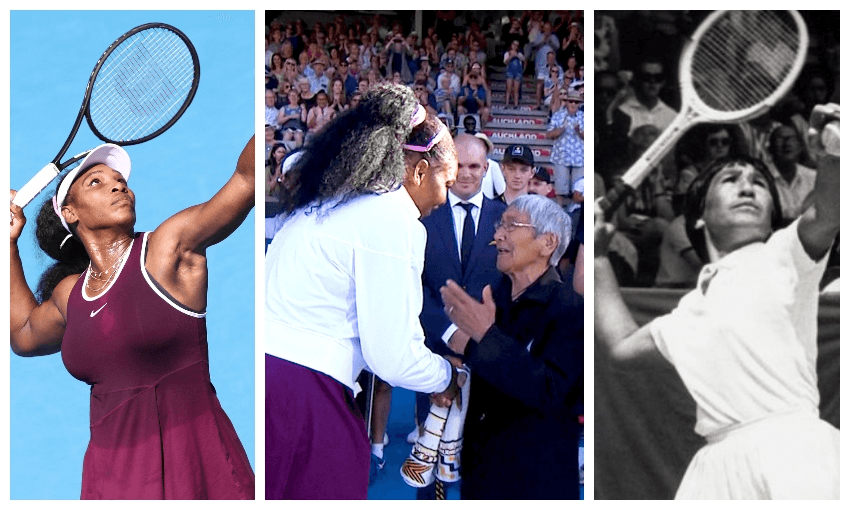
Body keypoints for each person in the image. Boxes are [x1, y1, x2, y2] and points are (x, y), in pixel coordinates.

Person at [594, 104, 840, 499]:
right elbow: (622, 348)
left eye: (759, 183)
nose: (748, 187)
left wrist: (832, 157)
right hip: (717, 469)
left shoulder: (783, 255)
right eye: (731, 179)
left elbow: (826, 213)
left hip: (794, 453)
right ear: (700, 218)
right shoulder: (690, 311)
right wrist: (598, 260)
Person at [9, 138, 256, 499]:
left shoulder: (167, 249)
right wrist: (8, 244)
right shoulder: (69, 294)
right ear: (71, 213)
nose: (118, 183)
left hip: (196, 468)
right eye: (96, 181)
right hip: (110, 481)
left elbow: (246, 181)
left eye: (120, 179)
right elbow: (23, 334)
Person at [265, 84, 462, 500]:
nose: (446, 199)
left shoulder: (331, 200)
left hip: (268, 380)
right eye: (448, 181)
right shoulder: (393, 219)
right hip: (304, 395)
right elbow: (391, 357)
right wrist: (445, 376)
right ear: (420, 171)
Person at [441, 193, 583, 499]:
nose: (497, 235)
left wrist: (484, 336)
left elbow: (551, 390)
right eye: (499, 225)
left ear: (548, 243)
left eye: (511, 225)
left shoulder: (569, 309)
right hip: (482, 469)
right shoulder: (495, 298)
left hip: (535, 477)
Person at [546, 88, 584, 208]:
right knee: (560, 187)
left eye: (576, 102)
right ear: (567, 102)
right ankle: (559, 209)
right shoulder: (558, 115)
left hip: (580, 157)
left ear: (579, 104)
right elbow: (549, 134)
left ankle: (575, 212)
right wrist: (561, 129)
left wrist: (579, 131)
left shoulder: (585, 116)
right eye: (571, 101)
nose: (573, 104)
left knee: (578, 188)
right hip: (561, 156)